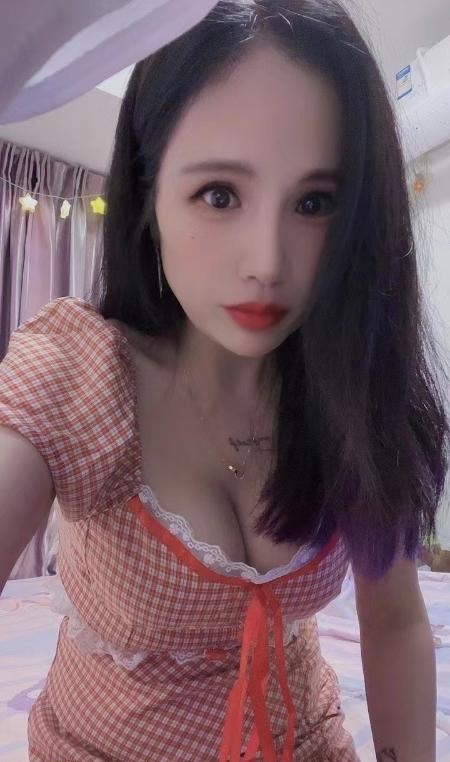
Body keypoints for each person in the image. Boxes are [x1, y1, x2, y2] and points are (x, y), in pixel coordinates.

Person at [0, 1, 448, 760]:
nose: (266, 262)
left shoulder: (353, 396)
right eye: (219, 194)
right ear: (149, 192)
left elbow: (396, 620)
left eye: (314, 203)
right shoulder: (80, 378)